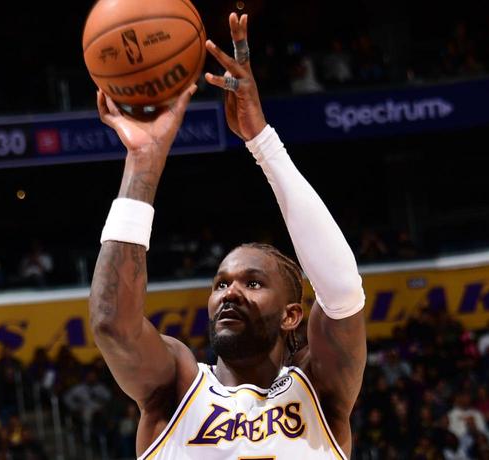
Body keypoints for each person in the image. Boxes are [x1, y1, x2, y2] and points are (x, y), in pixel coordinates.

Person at [89, 12, 366, 460]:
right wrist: (143, 163)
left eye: (252, 283)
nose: (230, 292)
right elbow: (111, 324)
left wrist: (263, 142)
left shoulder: (320, 388)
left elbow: (343, 292)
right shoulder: (176, 387)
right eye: (220, 283)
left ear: (292, 315)